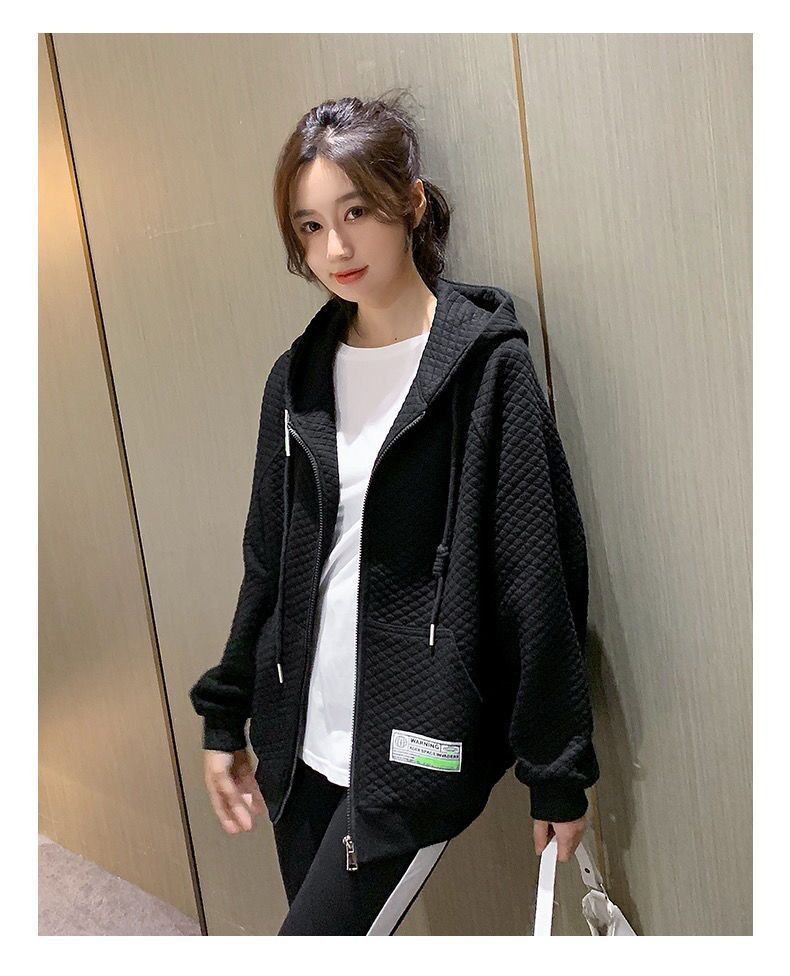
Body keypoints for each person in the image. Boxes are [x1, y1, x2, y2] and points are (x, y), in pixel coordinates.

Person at [189, 90, 600, 936]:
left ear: (410, 203)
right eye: (309, 226)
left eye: (356, 212)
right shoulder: (297, 378)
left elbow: (537, 575)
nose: (334, 249)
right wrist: (226, 711)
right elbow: (267, 559)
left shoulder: (486, 371)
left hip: (409, 749)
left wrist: (557, 768)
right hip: (298, 740)